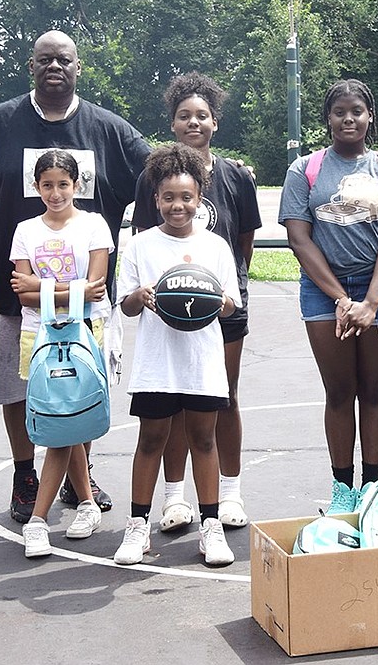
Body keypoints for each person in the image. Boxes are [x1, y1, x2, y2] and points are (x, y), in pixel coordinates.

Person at [0, 30, 151, 523]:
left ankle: (78, 476)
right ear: (31, 67)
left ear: (78, 67)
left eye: (64, 59)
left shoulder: (108, 130)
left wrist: (211, 166)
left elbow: (157, 179)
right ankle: (27, 474)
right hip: (17, 295)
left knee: (80, 382)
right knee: (20, 386)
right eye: (45, 60)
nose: (55, 67)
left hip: (88, 298)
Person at [278, 79, 378, 514]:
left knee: (373, 390)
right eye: (339, 111)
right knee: (339, 391)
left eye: (357, 110)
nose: (348, 119)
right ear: (328, 118)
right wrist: (341, 299)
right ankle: (343, 489)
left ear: (369, 116)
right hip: (325, 293)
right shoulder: (304, 169)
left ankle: (373, 487)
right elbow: (300, 240)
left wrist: (370, 304)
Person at [131, 72, 261, 532]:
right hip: (169, 309)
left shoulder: (235, 176)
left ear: (215, 122)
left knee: (221, 399)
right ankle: (173, 498)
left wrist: (216, 289)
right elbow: (144, 241)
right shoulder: (156, 178)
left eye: (201, 115)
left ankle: (229, 494)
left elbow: (242, 241)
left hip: (222, 304)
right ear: (172, 122)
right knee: (174, 402)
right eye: (184, 115)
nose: (193, 122)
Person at [114, 144, 241, 566]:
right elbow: (126, 307)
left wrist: (218, 301)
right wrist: (139, 295)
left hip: (201, 361)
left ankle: (211, 528)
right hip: (157, 362)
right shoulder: (139, 247)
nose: (177, 205)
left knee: (204, 440)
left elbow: (230, 305)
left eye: (185, 197)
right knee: (151, 439)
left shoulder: (216, 247)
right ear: (155, 199)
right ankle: (137, 528)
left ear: (199, 198)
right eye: (168, 197)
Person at [8, 150, 112, 557]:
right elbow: (22, 290)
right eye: (47, 185)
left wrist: (49, 288)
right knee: (57, 419)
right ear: (36, 187)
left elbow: (98, 286)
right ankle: (81, 505)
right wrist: (76, 289)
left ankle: (43, 518)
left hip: (86, 330)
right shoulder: (25, 230)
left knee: (75, 418)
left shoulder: (94, 225)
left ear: (76, 185)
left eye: (63, 184)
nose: (55, 193)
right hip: (39, 334)